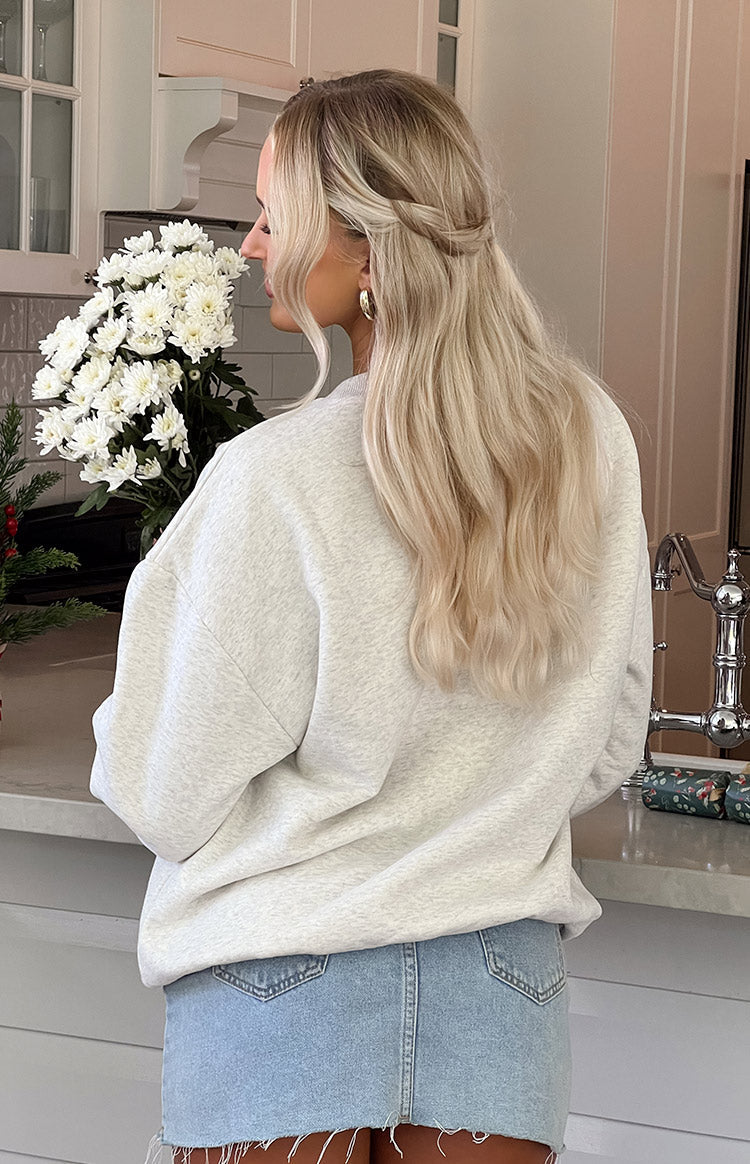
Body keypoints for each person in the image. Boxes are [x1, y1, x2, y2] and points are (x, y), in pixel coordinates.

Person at [90, 70, 653, 1164]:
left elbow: (166, 790)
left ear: (363, 245)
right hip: (497, 991)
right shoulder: (593, 438)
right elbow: (606, 746)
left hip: (279, 989)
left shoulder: (273, 477)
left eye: (274, 216)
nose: (252, 246)